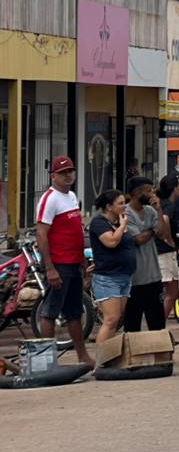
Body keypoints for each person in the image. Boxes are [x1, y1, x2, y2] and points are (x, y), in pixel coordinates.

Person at [34, 156, 93, 365]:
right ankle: (47, 361)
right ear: (53, 176)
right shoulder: (49, 199)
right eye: (63, 172)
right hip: (59, 264)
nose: (68, 175)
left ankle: (82, 356)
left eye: (70, 171)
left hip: (74, 262)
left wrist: (82, 260)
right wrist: (49, 268)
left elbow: (74, 231)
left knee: (74, 312)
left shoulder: (71, 196)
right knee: (50, 312)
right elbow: (41, 234)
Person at [89, 188, 136, 345]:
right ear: (109, 206)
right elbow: (111, 242)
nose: (125, 206)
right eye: (121, 203)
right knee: (110, 320)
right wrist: (122, 227)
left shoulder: (118, 221)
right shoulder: (99, 223)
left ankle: (110, 357)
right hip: (108, 278)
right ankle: (101, 361)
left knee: (116, 321)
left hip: (124, 275)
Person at [122, 176, 165, 332]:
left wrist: (159, 210)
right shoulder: (126, 213)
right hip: (135, 279)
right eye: (148, 190)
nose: (151, 194)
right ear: (136, 192)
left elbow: (162, 233)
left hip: (154, 277)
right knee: (132, 323)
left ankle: (160, 355)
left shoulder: (150, 210)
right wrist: (152, 230)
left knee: (157, 323)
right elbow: (138, 239)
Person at [155, 174, 179, 321]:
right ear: (174, 189)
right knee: (172, 293)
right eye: (178, 186)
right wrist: (169, 240)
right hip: (165, 252)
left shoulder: (164, 203)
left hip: (160, 251)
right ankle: (159, 327)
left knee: (168, 293)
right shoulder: (169, 206)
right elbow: (164, 220)